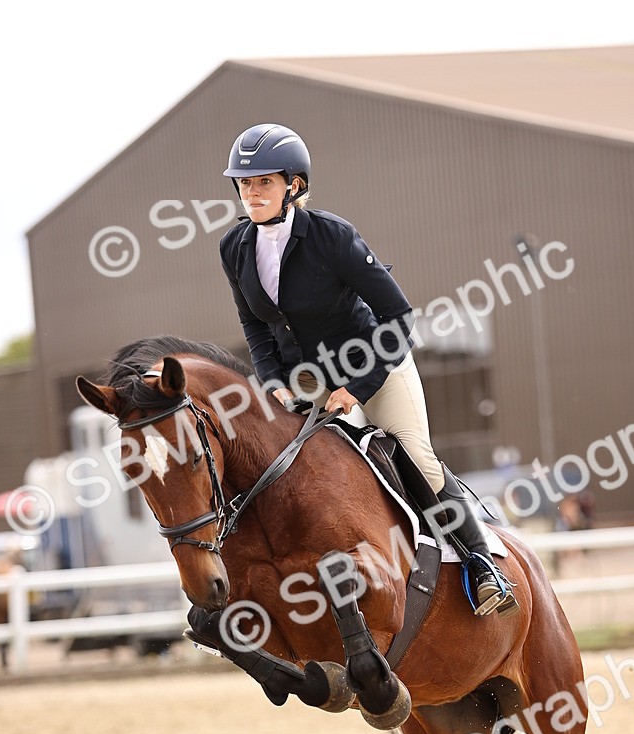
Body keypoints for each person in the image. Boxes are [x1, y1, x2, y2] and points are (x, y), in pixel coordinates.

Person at [219, 123, 518, 617]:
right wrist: (273, 382)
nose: (251, 192)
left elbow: (399, 319)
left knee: (414, 457)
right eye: (246, 183)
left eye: (264, 182)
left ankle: (483, 564)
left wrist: (355, 389)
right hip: (306, 380)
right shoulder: (233, 248)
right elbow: (255, 326)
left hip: (374, 365)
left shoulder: (333, 237)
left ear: (293, 185)